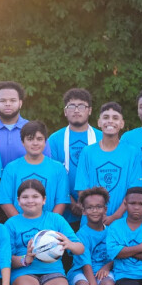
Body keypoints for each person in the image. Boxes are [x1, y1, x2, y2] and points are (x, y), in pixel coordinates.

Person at [75, 102, 142, 225]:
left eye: (115, 118)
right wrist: (95, 213)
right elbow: (82, 189)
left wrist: (115, 216)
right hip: (91, 222)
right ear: (99, 122)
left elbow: (134, 191)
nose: (110, 121)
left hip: (122, 222)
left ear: (122, 124)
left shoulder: (132, 152)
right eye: (106, 117)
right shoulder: (87, 152)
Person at [47, 88, 99, 221]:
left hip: (97, 209)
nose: (76, 110)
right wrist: (71, 202)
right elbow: (53, 175)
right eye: (71, 106)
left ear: (90, 110)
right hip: (63, 210)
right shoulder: (54, 139)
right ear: (65, 111)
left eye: (81, 106)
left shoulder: (101, 137)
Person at [0, 121, 69, 216]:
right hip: (19, 227)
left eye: (39, 139)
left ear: (45, 141)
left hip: (49, 227)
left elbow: (61, 201)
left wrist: (50, 225)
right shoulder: (11, 168)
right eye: (30, 139)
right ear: (22, 142)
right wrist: (21, 224)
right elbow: (5, 201)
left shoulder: (58, 168)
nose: (35, 143)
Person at [0, 81, 49, 166]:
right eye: (3, 101)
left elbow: (47, 165)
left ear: (20, 103)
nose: (8, 104)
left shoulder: (36, 131)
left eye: (13, 100)